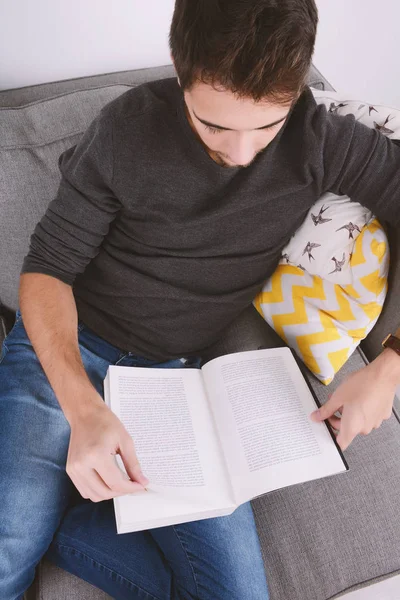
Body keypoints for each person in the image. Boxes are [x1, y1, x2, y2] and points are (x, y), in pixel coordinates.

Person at [1, 1, 400, 599]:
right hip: (68, 348)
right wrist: (81, 407)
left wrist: (390, 365)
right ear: (179, 69)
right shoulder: (125, 130)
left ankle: (73, 517)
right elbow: (46, 270)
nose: (241, 154)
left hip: (174, 382)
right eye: (214, 126)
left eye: (266, 126)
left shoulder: (322, 140)